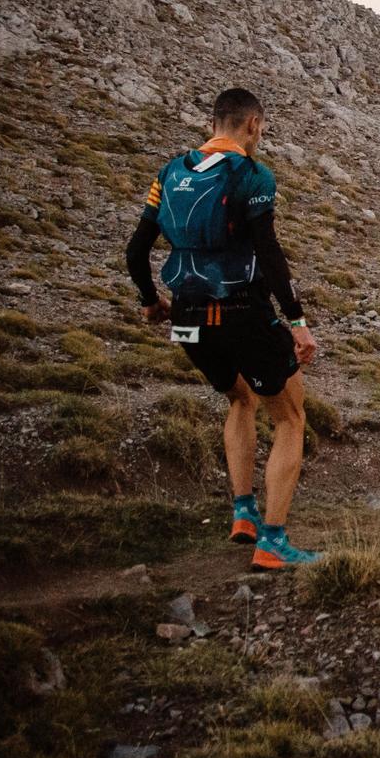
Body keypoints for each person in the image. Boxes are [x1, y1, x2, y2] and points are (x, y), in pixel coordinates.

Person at [125, 88, 320, 570]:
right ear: (253, 124)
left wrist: (152, 304)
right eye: (263, 127)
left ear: (214, 123)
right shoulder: (253, 175)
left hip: (189, 319)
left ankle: (243, 512)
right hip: (242, 312)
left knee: (239, 398)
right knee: (290, 415)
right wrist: (296, 321)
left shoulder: (170, 173)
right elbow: (269, 254)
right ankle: (272, 542)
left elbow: (136, 249)